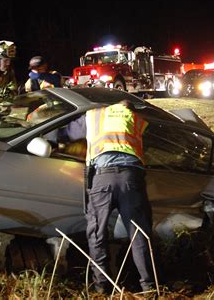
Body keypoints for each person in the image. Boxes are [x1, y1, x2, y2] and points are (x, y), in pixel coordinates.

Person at [63, 100, 155, 294]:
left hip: (102, 178)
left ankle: (101, 288)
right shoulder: (136, 120)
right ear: (129, 109)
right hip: (131, 179)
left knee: (97, 234)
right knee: (139, 234)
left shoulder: (95, 116)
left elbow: (67, 133)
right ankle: (149, 288)